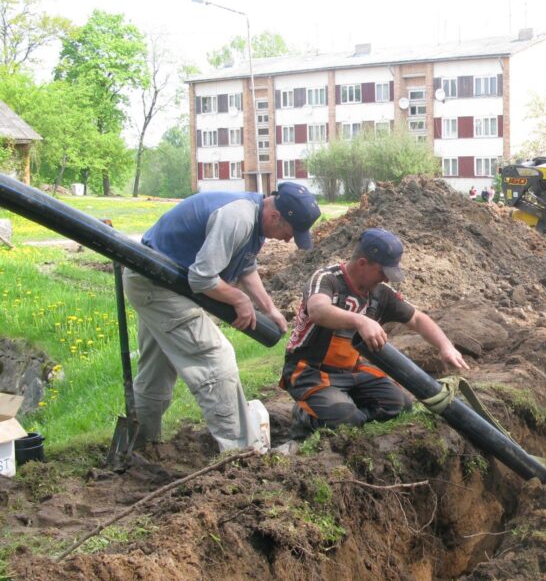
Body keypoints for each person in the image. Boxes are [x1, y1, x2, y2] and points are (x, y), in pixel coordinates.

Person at [123, 182, 321, 454]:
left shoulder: (255, 218)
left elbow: (246, 265)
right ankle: (241, 453)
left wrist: (268, 307)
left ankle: (140, 443)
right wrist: (239, 299)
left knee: (157, 369)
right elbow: (201, 278)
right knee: (216, 359)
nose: (289, 240)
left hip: (161, 281)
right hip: (157, 284)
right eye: (290, 232)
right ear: (276, 216)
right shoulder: (237, 217)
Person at [281, 227, 469, 440]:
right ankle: (308, 414)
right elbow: (318, 311)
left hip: (351, 371)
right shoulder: (327, 279)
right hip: (309, 370)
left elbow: (417, 318)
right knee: (345, 419)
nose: (386, 280)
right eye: (382, 273)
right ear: (362, 263)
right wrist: (360, 321)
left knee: (399, 405)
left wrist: (445, 346)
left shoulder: (380, 293)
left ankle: (341, 408)